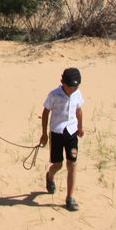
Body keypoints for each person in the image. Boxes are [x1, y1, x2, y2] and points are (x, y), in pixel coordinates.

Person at [40, 67, 85, 211]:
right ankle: (50, 176)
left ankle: (69, 198)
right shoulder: (54, 95)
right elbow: (46, 113)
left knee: (72, 163)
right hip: (57, 133)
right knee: (58, 164)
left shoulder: (77, 94)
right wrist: (44, 134)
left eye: (75, 86)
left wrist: (80, 127)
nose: (72, 89)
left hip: (72, 132)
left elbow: (79, 110)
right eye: (70, 86)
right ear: (62, 82)